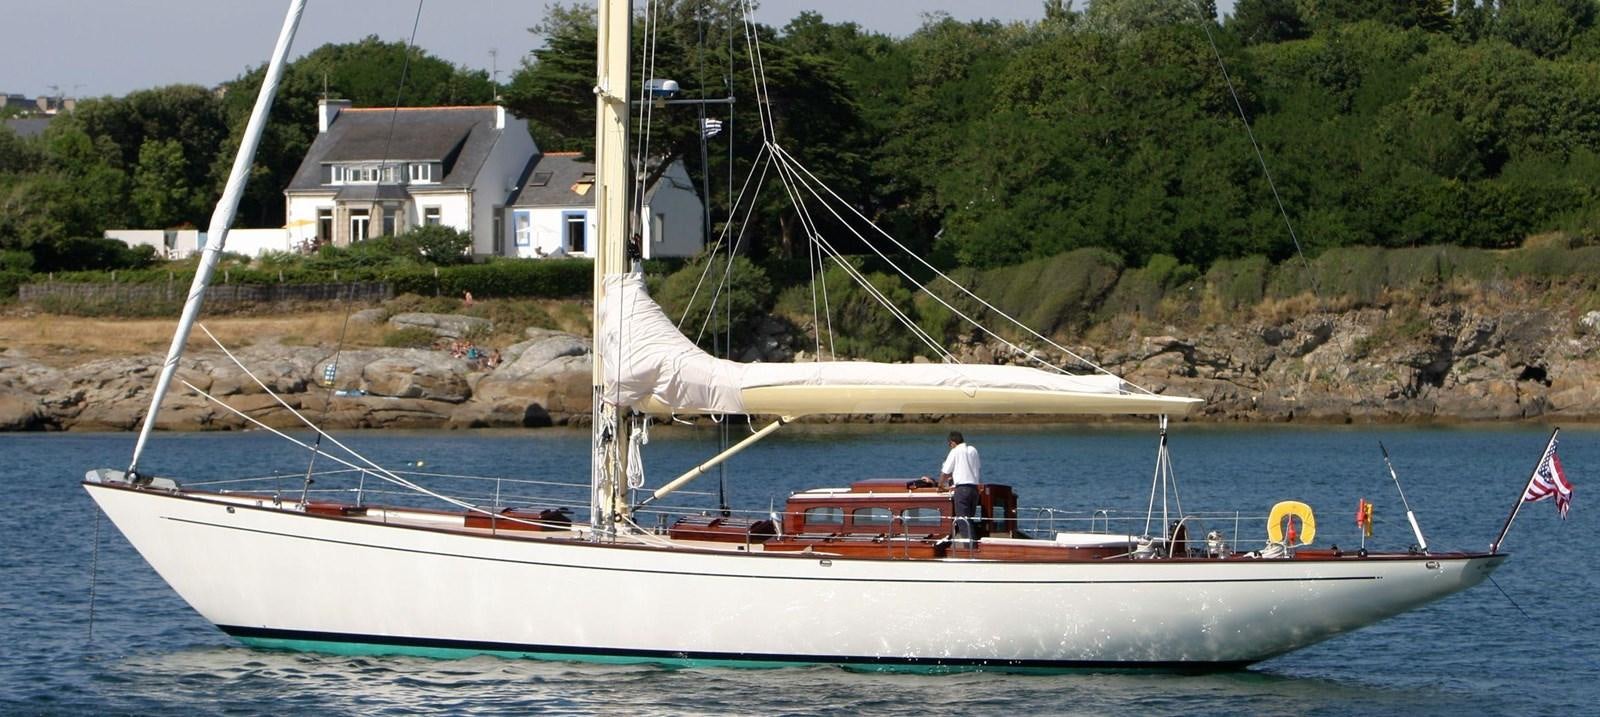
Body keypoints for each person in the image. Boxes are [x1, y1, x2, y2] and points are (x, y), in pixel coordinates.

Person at [930, 431, 980, 544]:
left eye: (949, 444)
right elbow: (976, 467)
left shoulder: (955, 451)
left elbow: (945, 472)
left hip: (962, 490)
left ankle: (970, 549)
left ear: (952, 442)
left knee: (962, 520)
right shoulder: (973, 450)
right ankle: (974, 545)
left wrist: (940, 485)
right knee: (969, 520)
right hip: (974, 490)